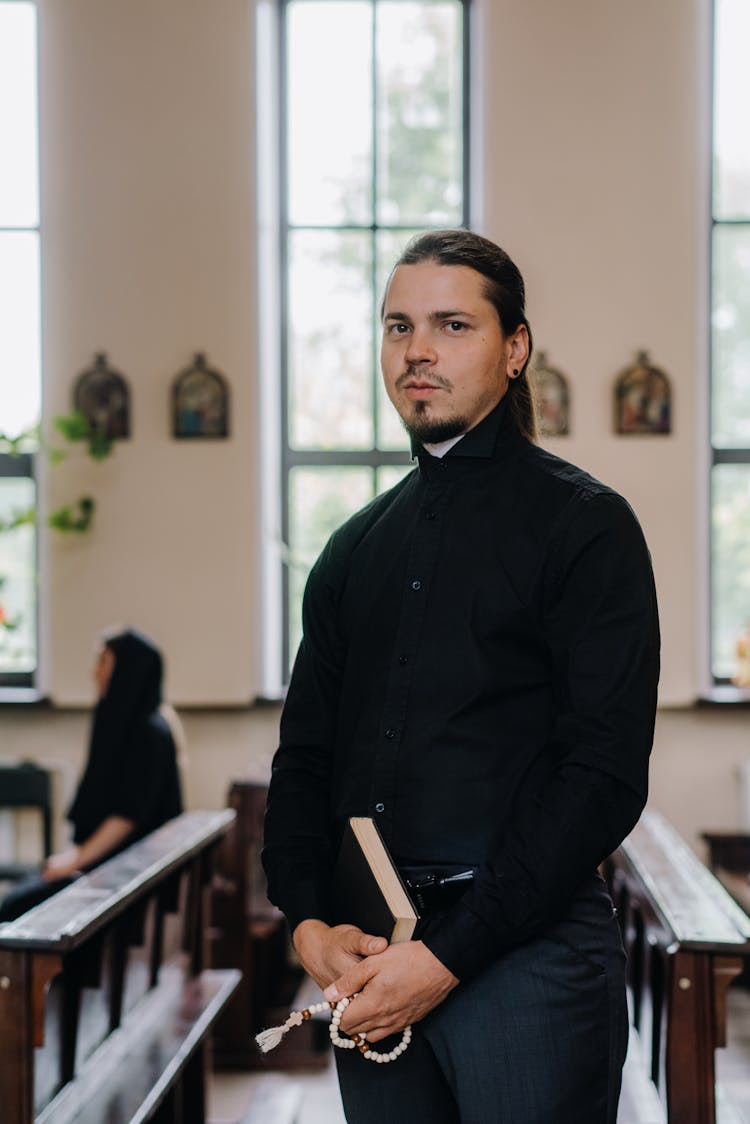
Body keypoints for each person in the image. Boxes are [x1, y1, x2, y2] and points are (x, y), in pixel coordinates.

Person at [262, 229, 660, 1123]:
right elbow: (305, 758)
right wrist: (307, 921)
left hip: (530, 958)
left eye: (452, 325)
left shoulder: (586, 527)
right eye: (398, 327)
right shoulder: (352, 548)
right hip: (371, 949)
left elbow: (600, 775)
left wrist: (445, 958)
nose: (418, 351)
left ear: (514, 349)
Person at [0, 627, 183, 922]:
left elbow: (126, 817)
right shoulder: (124, 721)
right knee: (18, 899)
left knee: (16, 907)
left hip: (123, 876)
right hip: (110, 868)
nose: (94, 671)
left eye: (103, 662)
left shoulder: (147, 732)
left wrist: (76, 859)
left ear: (127, 671)